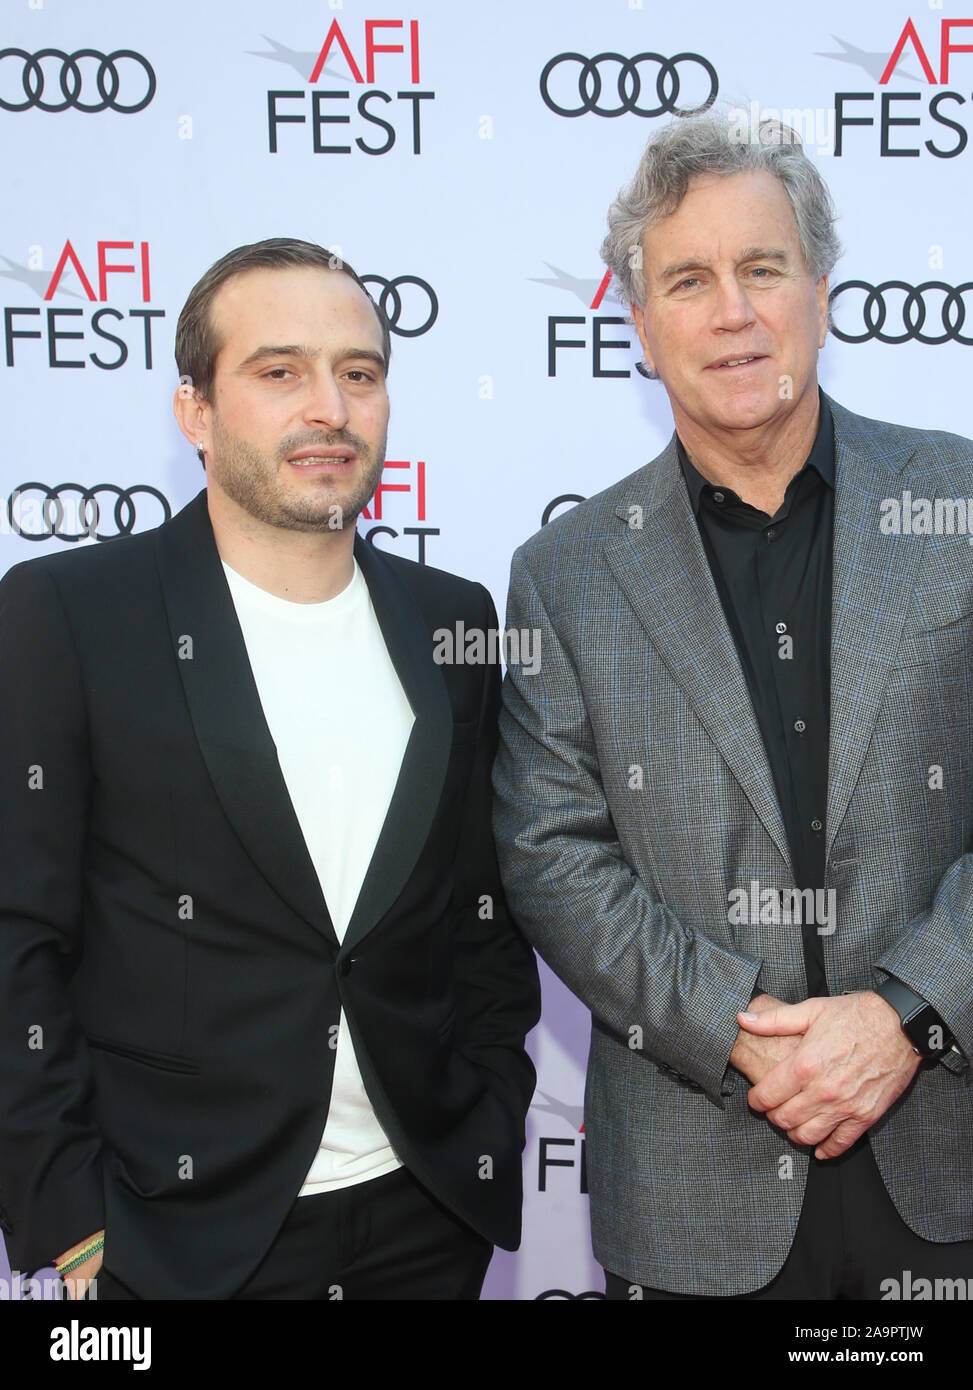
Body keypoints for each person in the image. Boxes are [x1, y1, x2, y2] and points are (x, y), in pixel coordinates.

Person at [0, 236, 539, 1300]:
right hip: (159, 1240)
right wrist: (69, 1225)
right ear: (193, 410)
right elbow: (18, 935)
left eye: (359, 372)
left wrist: (486, 1120)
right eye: (278, 370)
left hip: (423, 1219)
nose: (328, 408)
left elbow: (481, 918)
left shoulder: (452, 622)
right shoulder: (65, 613)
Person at [492, 114, 973, 1300]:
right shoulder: (566, 572)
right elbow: (553, 857)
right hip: (697, 1196)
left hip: (949, 1165)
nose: (733, 312)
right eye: (689, 281)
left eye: (763, 268)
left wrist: (906, 1015)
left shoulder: (958, 501)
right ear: (638, 321)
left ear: (820, 286)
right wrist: (746, 1032)